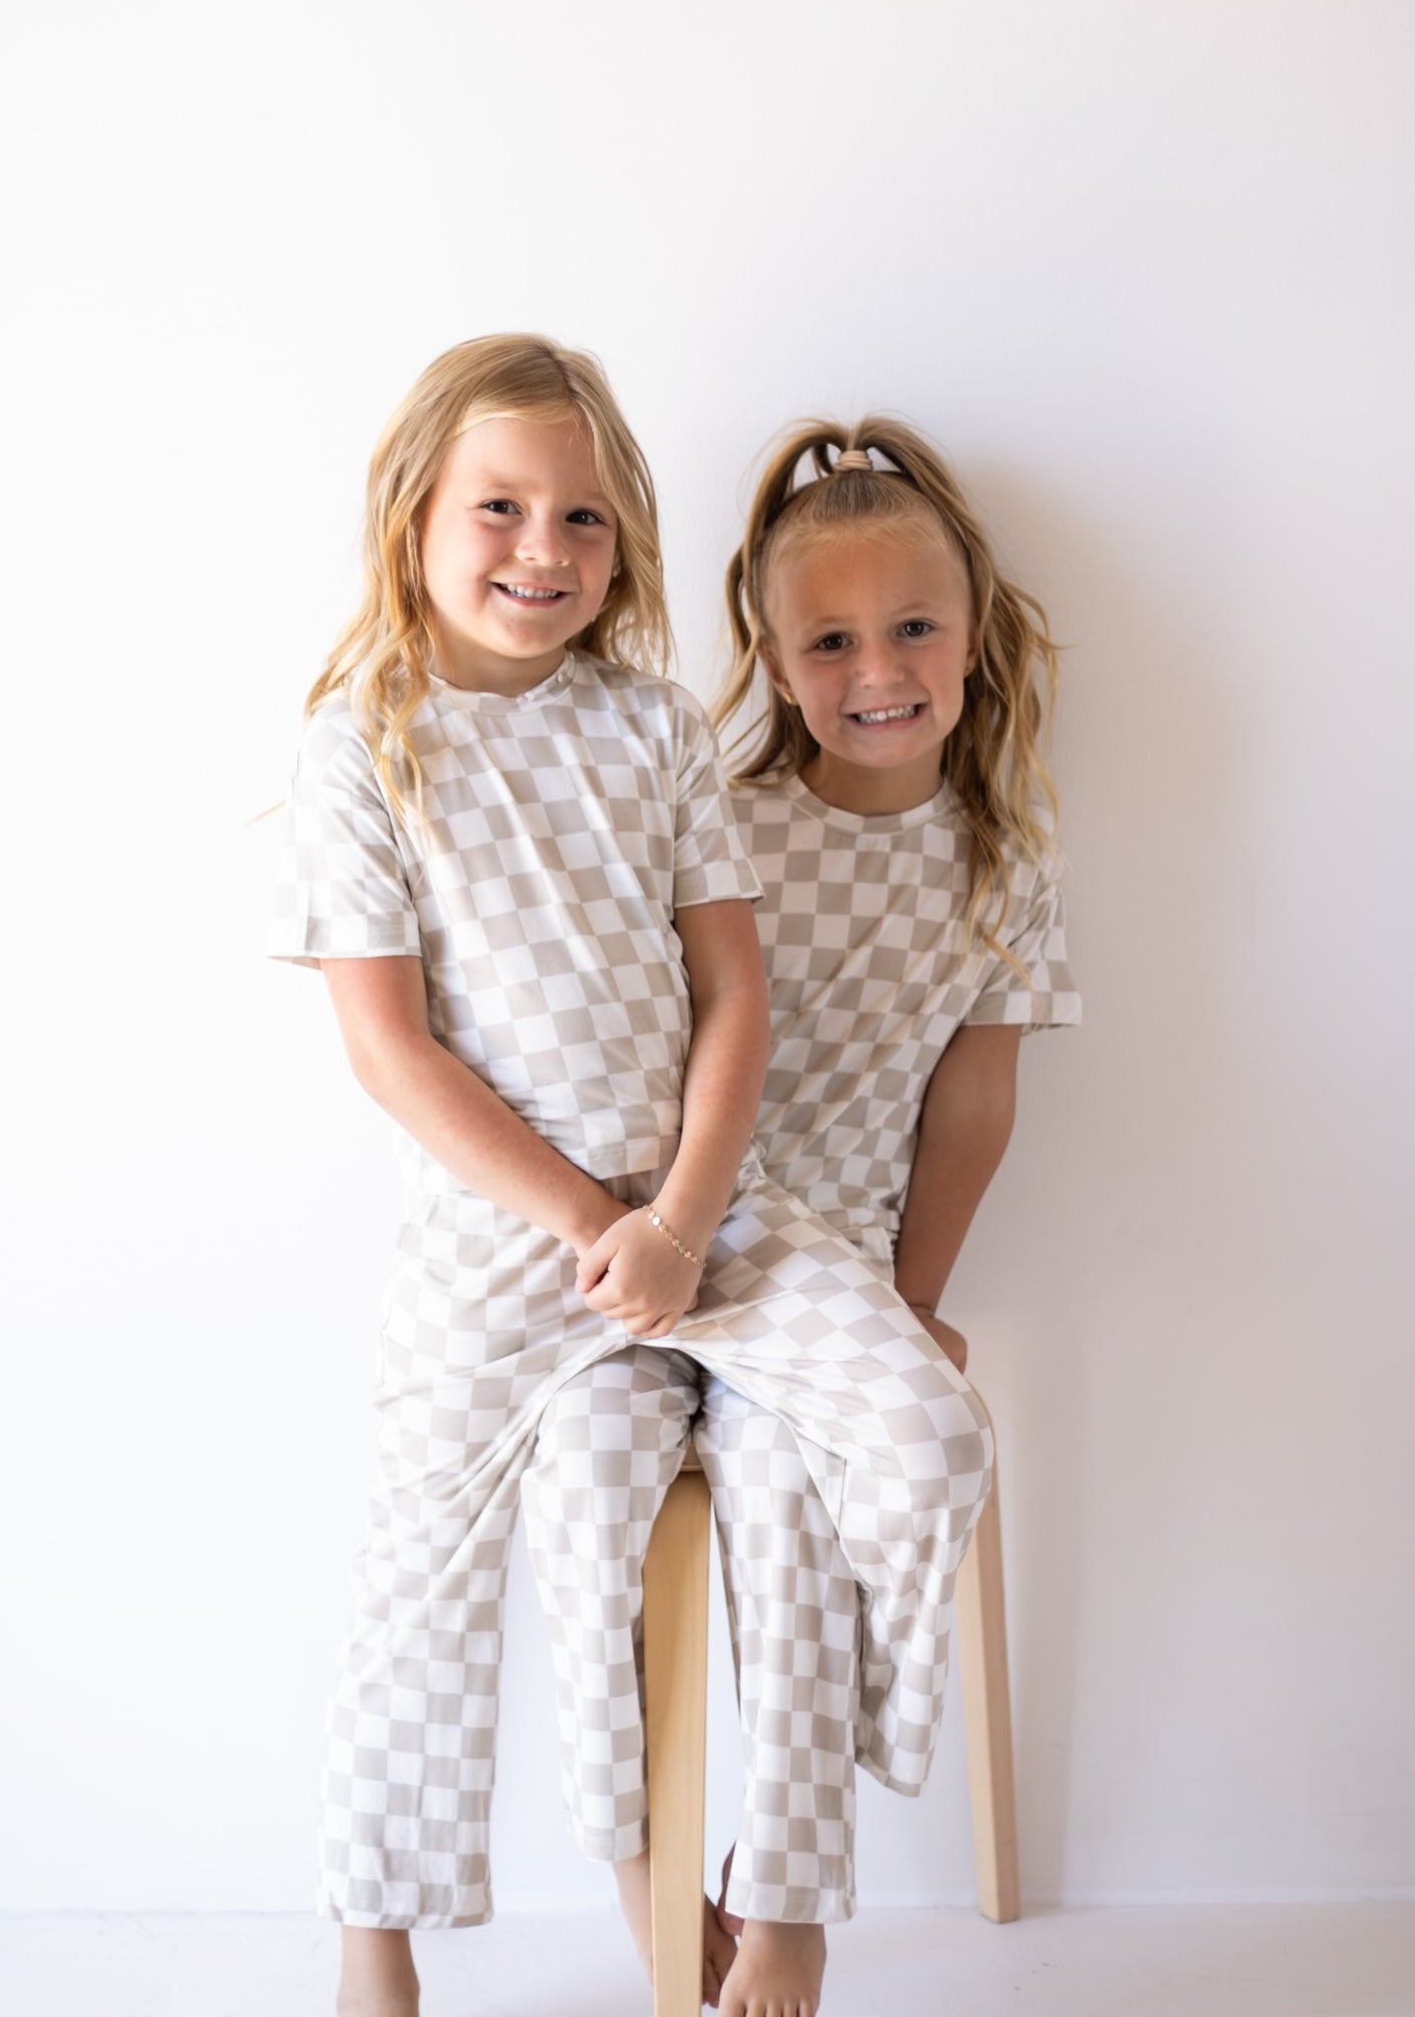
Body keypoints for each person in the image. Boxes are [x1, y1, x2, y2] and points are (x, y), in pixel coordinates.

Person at [270, 337, 993, 2017]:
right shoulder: (357, 750)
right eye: (503, 509)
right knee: (422, 1581)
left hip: (712, 1214)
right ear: (415, 523)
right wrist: (593, 1227)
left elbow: (735, 994)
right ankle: (386, 1948)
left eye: (585, 517)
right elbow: (392, 1054)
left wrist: (673, 1220)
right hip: (501, 1250)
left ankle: (785, 1851)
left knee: (924, 1428)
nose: (546, 549)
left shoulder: (656, 730)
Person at [697, 416, 1082, 1991]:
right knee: (861, 1460)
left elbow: (970, 1107)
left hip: (846, 1284)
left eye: (913, 626)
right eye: (833, 639)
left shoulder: (1004, 858)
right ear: (777, 661)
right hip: (712, 1244)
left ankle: (770, 1875)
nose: (879, 669)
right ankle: (786, 1895)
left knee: (798, 1499)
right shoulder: (726, 826)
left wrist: (914, 1295)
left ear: (973, 634)